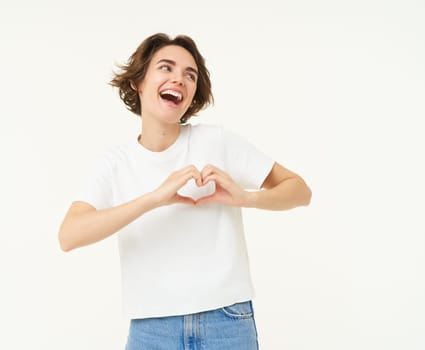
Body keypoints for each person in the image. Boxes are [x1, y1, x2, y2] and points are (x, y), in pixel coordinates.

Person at [58, 33, 312, 350]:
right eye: (166, 68)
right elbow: (69, 235)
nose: (179, 79)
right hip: (151, 328)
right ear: (139, 81)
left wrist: (245, 197)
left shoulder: (217, 141)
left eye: (189, 75)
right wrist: (154, 198)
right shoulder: (115, 163)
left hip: (227, 321)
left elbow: (300, 190)